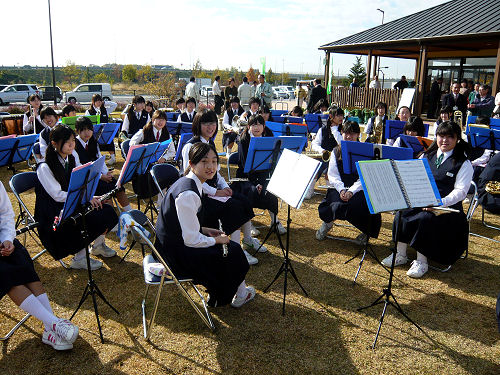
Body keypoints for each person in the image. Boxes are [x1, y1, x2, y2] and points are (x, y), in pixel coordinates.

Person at [155, 142, 255, 308]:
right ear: (191, 164)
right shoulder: (188, 193)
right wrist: (216, 241)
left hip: (174, 244)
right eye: (204, 162)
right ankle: (235, 295)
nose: (211, 167)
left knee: (229, 247)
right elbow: (191, 239)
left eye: (214, 161)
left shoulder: (192, 182)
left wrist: (204, 229)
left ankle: (222, 292)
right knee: (233, 252)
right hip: (175, 256)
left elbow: (182, 224)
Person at [382, 121, 473, 278]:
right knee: (401, 212)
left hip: (448, 210)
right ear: (436, 137)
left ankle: (421, 261)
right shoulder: (426, 155)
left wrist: (439, 202)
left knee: (425, 218)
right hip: (422, 201)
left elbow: (461, 192)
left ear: (457, 139)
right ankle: (400, 254)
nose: (445, 140)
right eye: (441, 136)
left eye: (450, 137)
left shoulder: (463, 163)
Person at [0, 181, 80, 350]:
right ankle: (54, 323)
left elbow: (6, 215)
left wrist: (7, 239)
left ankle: (49, 328)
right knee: (6, 273)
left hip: (2, 243)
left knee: (22, 262)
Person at [180, 110, 259, 265]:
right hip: (201, 196)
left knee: (243, 199)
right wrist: (216, 192)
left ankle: (247, 240)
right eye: (206, 123)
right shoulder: (190, 147)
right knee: (234, 208)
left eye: (213, 123)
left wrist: (224, 186)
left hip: (214, 191)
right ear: (198, 125)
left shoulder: (209, 143)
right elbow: (191, 180)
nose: (211, 127)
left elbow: (216, 173)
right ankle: (235, 250)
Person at [34, 125, 118, 270]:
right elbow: (57, 195)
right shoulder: (44, 167)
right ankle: (80, 258)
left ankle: (98, 246)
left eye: (72, 140)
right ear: (54, 144)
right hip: (53, 211)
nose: (71, 144)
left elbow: (81, 180)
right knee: (85, 218)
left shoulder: (71, 157)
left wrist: (90, 196)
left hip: (71, 202)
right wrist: (85, 198)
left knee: (106, 211)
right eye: (67, 142)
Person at [316, 121, 381, 242]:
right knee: (335, 204)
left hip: (359, 189)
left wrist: (351, 191)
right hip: (339, 187)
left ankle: (366, 232)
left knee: (360, 205)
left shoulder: (365, 151)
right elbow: (333, 174)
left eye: (352, 134)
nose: (349, 136)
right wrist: (342, 190)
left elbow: (365, 176)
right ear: (342, 133)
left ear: (358, 135)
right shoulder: (336, 151)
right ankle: (327, 224)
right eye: (346, 133)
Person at [232, 114, 286, 235]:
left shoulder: (269, 137)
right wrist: (256, 184)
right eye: (253, 124)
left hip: (263, 175)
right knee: (250, 190)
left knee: (271, 189)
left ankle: (275, 220)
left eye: (259, 124)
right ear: (249, 126)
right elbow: (246, 165)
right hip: (245, 176)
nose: (256, 127)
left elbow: (270, 163)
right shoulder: (243, 140)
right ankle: (248, 223)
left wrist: (261, 182)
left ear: (264, 126)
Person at [74, 116, 132, 216]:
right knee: (105, 190)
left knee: (117, 185)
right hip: (86, 180)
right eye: (83, 130)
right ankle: (111, 218)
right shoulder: (74, 145)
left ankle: (130, 212)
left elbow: (99, 159)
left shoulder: (93, 142)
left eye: (89, 129)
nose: (87, 133)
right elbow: (80, 167)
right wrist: (101, 176)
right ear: (77, 131)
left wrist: (106, 174)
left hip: (98, 175)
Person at [307, 107, 345, 199]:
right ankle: (309, 191)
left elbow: (342, 144)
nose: (341, 118)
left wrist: (335, 131)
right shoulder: (323, 130)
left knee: (330, 172)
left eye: (342, 115)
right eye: (338, 115)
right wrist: (322, 151)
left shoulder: (343, 130)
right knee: (314, 168)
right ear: (331, 116)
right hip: (324, 157)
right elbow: (315, 144)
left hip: (338, 159)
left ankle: (331, 192)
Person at [85, 94, 118, 165]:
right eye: (97, 101)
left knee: (109, 139)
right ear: (93, 102)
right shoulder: (89, 112)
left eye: (100, 101)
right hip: (94, 133)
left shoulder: (105, 110)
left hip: (104, 131)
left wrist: (105, 102)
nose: (99, 103)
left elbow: (115, 105)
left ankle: (113, 158)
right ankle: (97, 157)